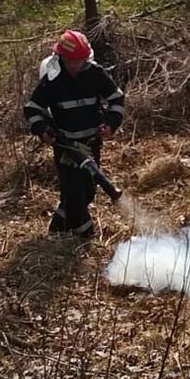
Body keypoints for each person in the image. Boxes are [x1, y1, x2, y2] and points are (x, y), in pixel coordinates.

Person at [23, 29, 125, 237]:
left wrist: (110, 124)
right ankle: (84, 236)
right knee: (74, 192)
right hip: (65, 145)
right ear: (61, 58)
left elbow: (116, 98)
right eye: (72, 61)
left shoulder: (95, 74)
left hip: (91, 142)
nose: (77, 66)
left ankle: (58, 227)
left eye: (80, 61)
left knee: (87, 190)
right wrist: (43, 130)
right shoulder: (52, 81)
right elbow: (32, 109)